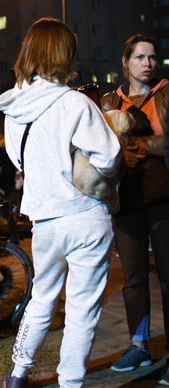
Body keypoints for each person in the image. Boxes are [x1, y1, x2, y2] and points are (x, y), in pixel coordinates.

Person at [0, 18, 121, 387]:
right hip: (84, 217)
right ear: (64, 54)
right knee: (82, 307)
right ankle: (70, 382)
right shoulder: (75, 104)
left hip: (45, 221)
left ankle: (18, 373)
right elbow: (110, 158)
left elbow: (19, 163)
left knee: (41, 298)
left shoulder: (14, 110)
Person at [101, 34, 169, 383]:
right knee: (134, 280)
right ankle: (140, 344)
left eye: (153, 57)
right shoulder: (111, 100)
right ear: (125, 62)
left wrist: (145, 144)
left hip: (163, 199)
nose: (148, 63)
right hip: (126, 201)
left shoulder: (167, 93)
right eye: (140, 57)